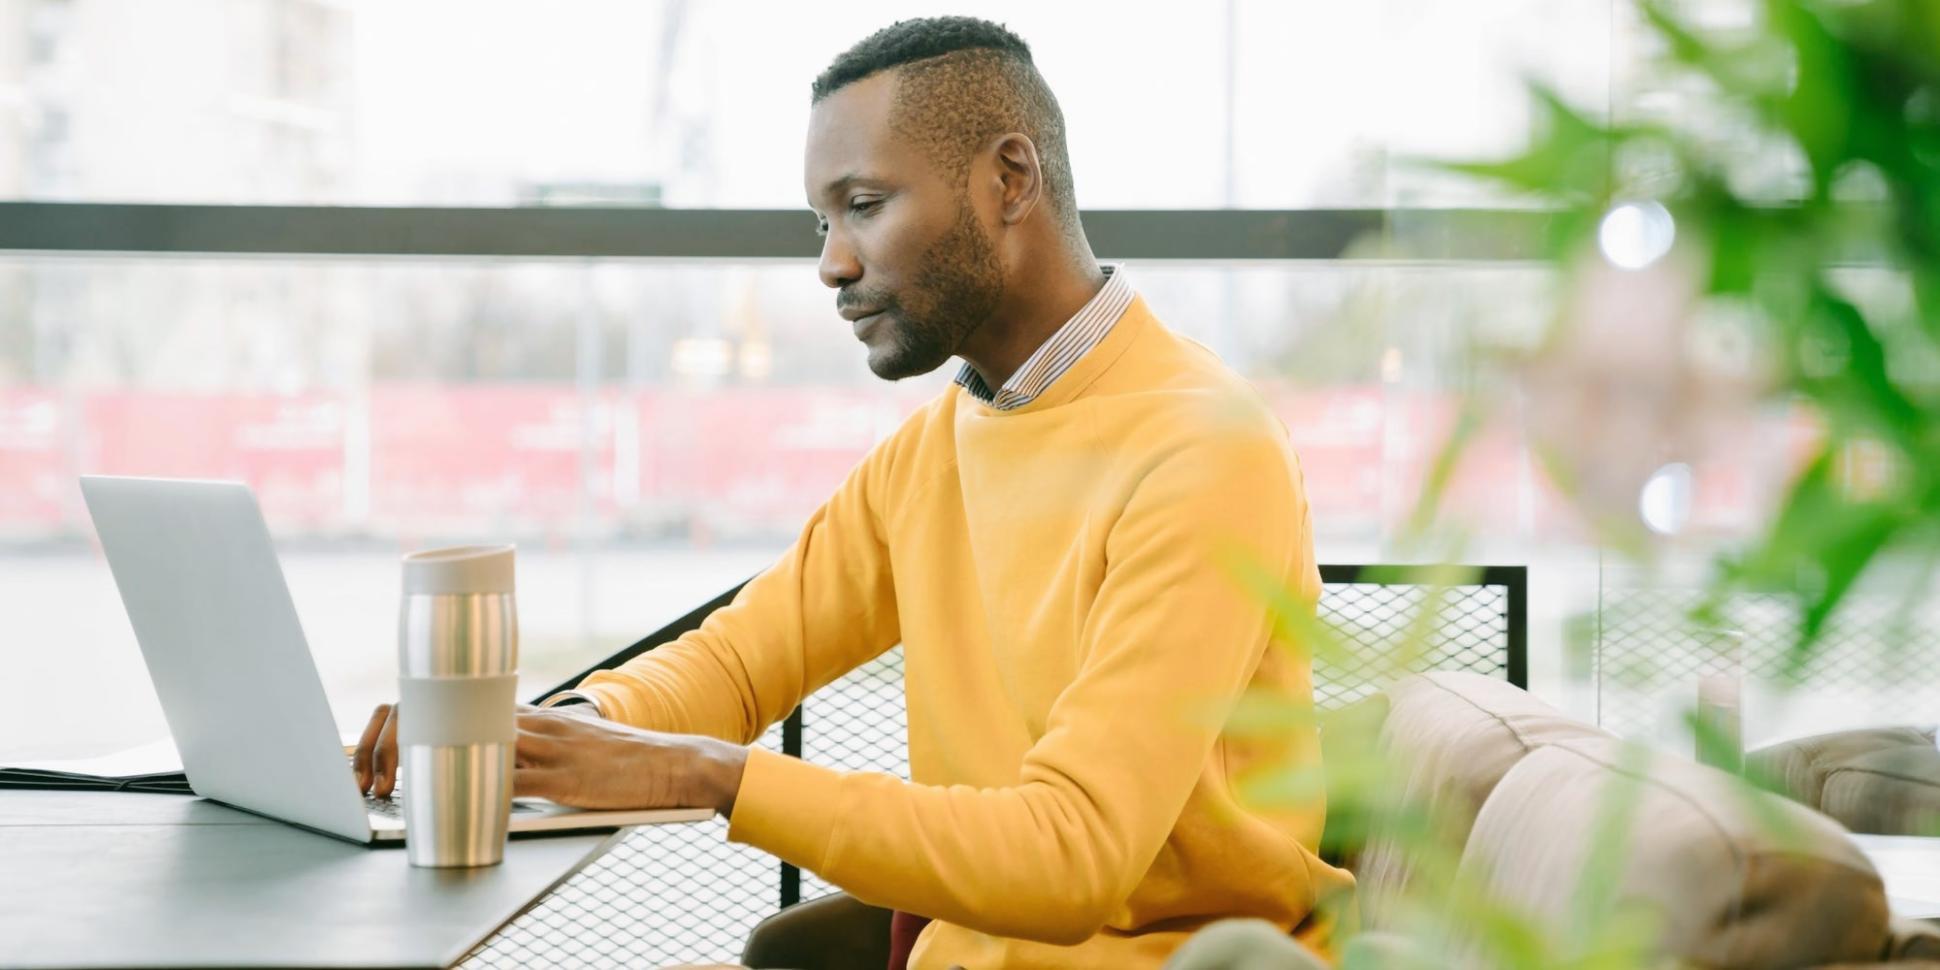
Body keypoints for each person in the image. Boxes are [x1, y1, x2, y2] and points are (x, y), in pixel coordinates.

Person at [355, 16, 1351, 968]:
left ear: (1010, 178)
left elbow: (1072, 851)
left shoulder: (1206, 449)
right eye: (822, 220)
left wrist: (709, 774)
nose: (831, 262)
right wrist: (536, 732)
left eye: (863, 205)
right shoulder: (934, 452)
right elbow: (737, 667)